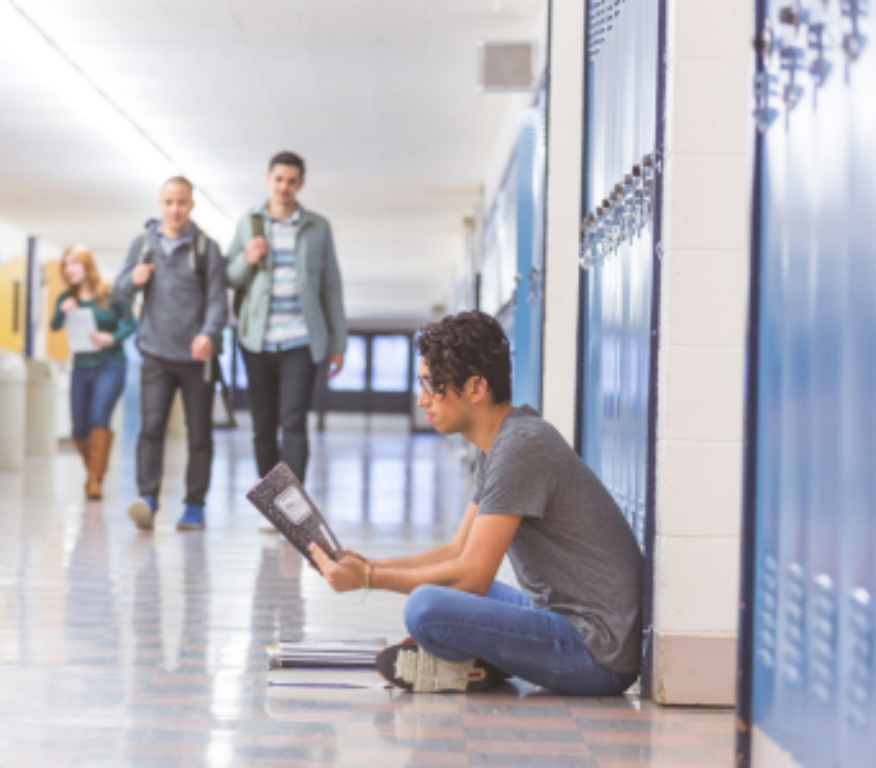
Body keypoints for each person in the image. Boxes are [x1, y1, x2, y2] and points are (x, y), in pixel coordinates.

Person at [309, 311, 643, 696]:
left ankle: (463, 667)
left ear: (476, 387)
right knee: (443, 595)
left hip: (596, 653)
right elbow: (457, 550)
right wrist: (368, 565)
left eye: (432, 385)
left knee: (426, 608)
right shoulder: (501, 444)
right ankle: (474, 667)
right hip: (560, 620)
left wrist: (368, 581)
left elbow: (473, 574)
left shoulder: (520, 447)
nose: (422, 399)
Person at [225, 151, 347, 529]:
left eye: (292, 181)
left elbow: (331, 286)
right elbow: (230, 277)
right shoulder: (249, 223)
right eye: (279, 179)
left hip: (302, 339)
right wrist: (247, 258)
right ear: (268, 179)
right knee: (263, 425)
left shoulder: (317, 227)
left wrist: (337, 342)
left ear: (301, 184)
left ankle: (291, 506)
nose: (284, 187)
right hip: (257, 340)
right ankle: (272, 505)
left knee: (293, 421)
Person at [115, 177, 228, 532]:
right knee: (151, 428)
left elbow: (217, 300)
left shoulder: (206, 248)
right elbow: (119, 291)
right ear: (159, 204)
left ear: (191, 205)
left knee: (199, 435)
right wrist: (133, 278)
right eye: (168, 202)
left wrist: (208, 334)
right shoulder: (142, 245)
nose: (175, 209)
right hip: (155, 353)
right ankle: (147, 499)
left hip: (197, 357)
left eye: (182, 202)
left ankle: (194, 505)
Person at [50, 245, 136, 500]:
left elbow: (132, 323)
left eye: (74, 263)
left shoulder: (110, 295)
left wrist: (112, 338)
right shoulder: (66, 298)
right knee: (79, 428)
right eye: (65, 264)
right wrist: (62, 310)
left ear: (87, 266)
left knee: (100, 416)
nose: (69, 269)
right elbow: (54, 326)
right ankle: (93, 471)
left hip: (111, 364)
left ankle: (95, 480)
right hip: (81, 366)